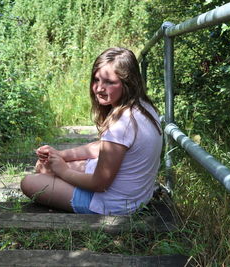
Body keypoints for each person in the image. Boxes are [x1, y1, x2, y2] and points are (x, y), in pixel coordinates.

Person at [20, 47, 163, 215]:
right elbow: (104, 147)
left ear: (128, 83)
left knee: (28, 182)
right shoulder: (143, 107)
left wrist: (63, 170)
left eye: (109, 82)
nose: (100, 88)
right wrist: (61, 155)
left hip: (113, 205)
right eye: (96, 80)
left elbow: (99, 184)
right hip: (134, 195)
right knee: (43, 167)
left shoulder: (121, 124)